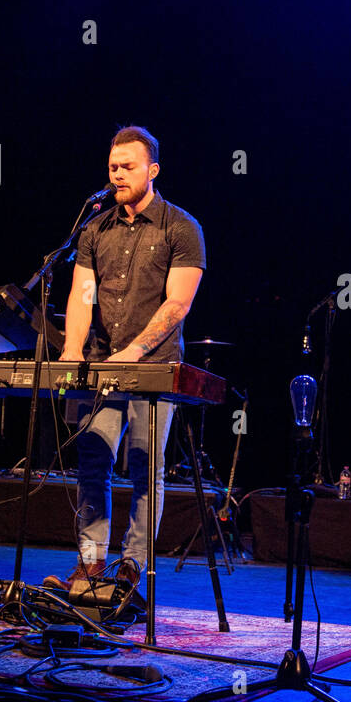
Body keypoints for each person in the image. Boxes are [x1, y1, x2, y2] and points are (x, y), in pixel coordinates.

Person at [44, 126, 206, 594]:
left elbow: (178, 303)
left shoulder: (181, 227)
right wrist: (73, 350)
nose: (117, 173)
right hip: (100, 365)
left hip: (153, 366)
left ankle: (133, 566)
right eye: (113, 166)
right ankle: (91, 563)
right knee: (93, 459)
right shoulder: (94, 228)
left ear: (152, 170)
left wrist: (134, 352)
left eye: (127, 166)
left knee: (143, 465)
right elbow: (81, 294)